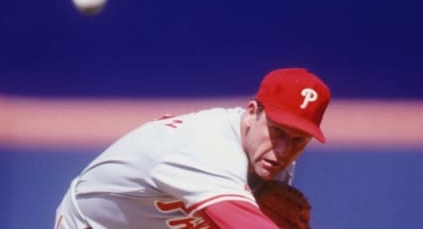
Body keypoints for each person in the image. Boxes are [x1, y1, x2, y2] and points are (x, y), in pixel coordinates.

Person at [54, 67, 331, 229]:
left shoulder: (268, 158)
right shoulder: (209, 149)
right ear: (251, 113)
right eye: (277, 132)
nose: (283, 150)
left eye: (298, 140)